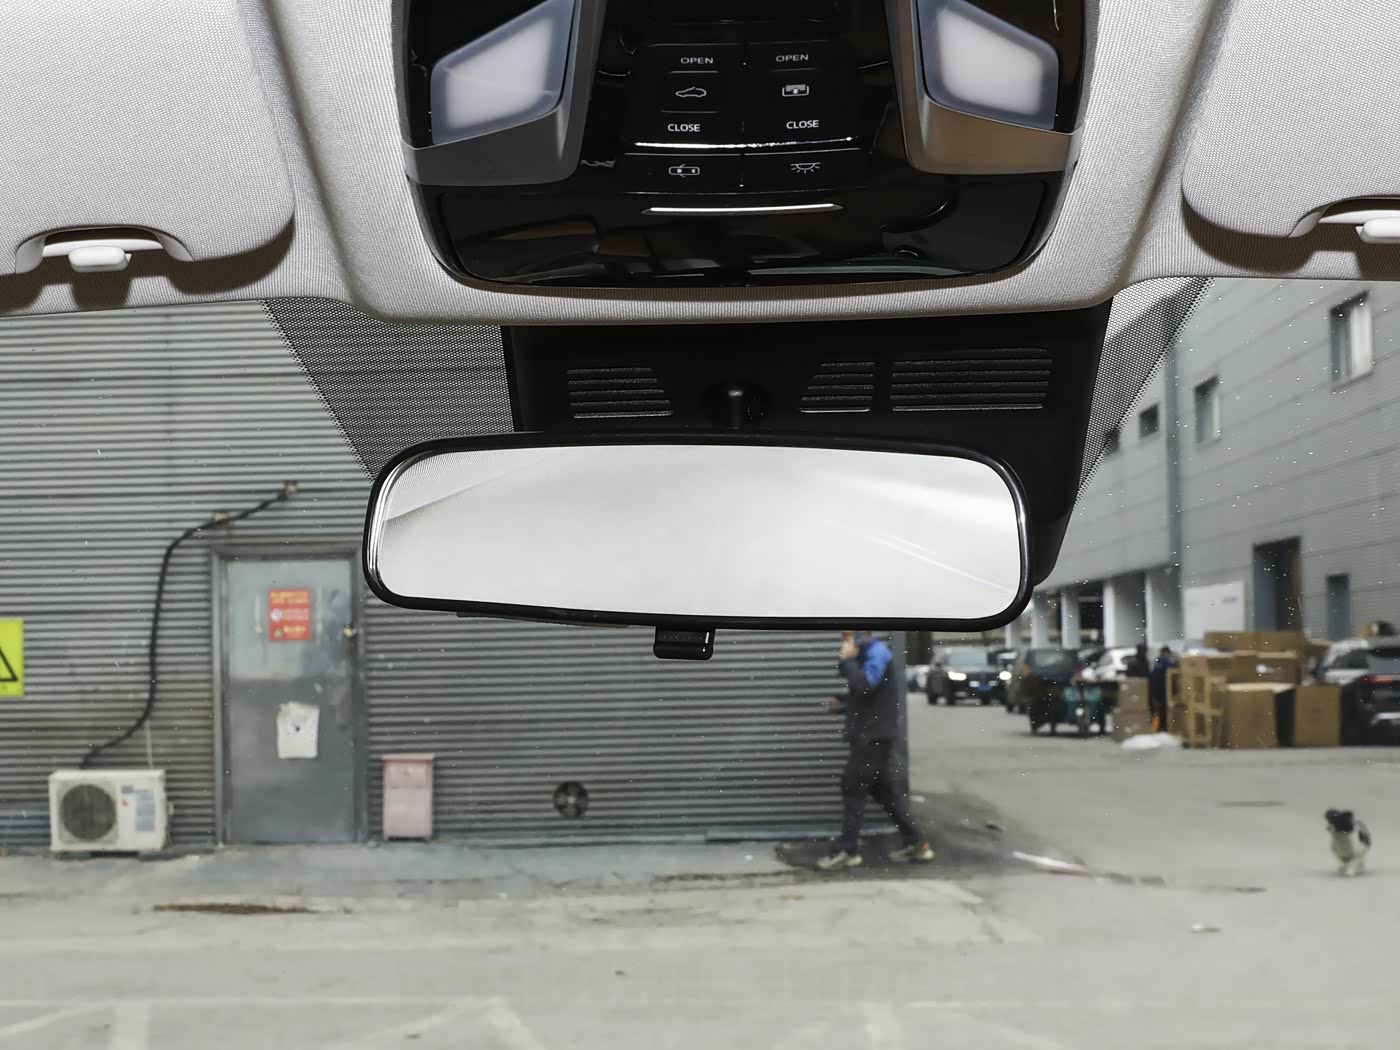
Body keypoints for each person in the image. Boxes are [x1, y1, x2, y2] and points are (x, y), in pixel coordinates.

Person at [818, 631, 934, 870]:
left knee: (852, 787)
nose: (845, 641)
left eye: (848, 636)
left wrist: (849, 660)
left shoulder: (877, 654)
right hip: (872, 736)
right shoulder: (868, 654)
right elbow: (867, 694)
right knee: (884, 793)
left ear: (864, 634)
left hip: (872, 738)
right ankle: (917, 844)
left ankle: (848, 850)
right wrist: (843, 703)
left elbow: (864, 686)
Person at [1148, 645, 1176, 732]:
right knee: (1163, 709)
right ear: (1166, 653)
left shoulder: (1157, 661)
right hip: (1163, 688)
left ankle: (1160, 727)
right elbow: (1172, 668)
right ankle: (1163, 727)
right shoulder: (1164, 661)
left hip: (1156, 689)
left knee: (1159, 709)